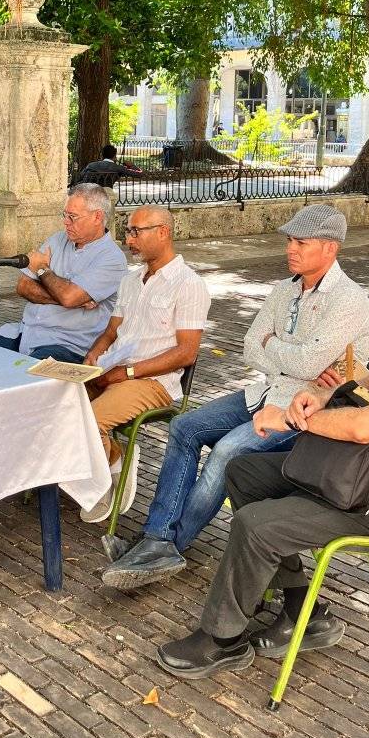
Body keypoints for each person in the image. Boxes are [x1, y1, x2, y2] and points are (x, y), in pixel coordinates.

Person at [155, 243, 369, 680]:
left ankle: (222, 640)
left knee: (258, 524)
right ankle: (306, 610)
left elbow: (366, 427)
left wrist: (290, 419)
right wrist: (321, 393)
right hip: (360, 474)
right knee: (242, 471)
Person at [102, 203, 369, 587]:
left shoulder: (349, 300)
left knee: (228, 451)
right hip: (265, 392)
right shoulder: (284, 289)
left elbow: (307, 362)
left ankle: (166, 546)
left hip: (308, 411)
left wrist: (277, 347)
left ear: (330, 248)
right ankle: (156, 538)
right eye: (289, 241)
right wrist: (290, 355)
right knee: (185, 427)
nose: (289, 249)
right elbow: (250, 346)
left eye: (300, 242)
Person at [78, 206, 211, 524]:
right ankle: (114, 456)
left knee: (90, 422)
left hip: (154, 382)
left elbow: (186, 353)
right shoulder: (131, 281)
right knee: (59, 403)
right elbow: (111, 332)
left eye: (137, 232)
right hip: (113, 371)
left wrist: (127, 373)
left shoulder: (188, 284)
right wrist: (92, 359)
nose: (129, 239)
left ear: (163, 232)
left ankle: (107, 477)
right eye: (128, 232)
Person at [0, 183, 127, 363]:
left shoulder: (112, 258)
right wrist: (72, 300)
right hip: (23, 334)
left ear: (97, 217)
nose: (66, 222)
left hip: (67, 346)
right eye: (64, 215)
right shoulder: (58, 240)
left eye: (72, 217)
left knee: (26, 379)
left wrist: (42, 269)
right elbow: (23, 286)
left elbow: (68, 297)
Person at [75, 144, 141, 189]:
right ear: (115, 156)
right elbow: (140, 174)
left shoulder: (91, 165)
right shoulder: (118, 168)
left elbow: (80, 177)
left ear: (102, 155)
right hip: (105, 193)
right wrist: (132, 165)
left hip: (88, 191)